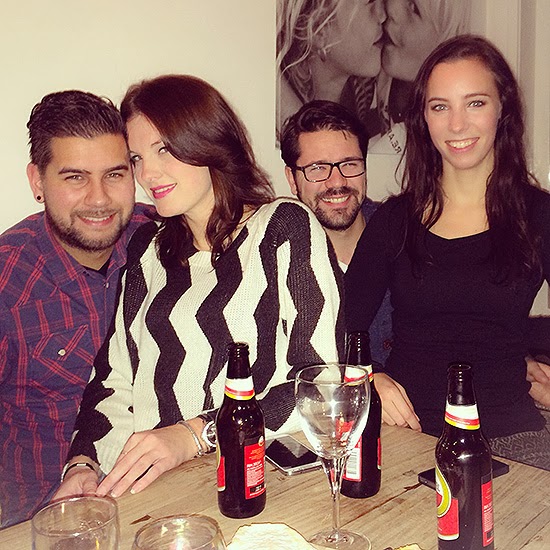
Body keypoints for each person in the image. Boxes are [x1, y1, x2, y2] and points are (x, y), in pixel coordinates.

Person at [54, 75, 344, 500]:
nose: (147, 174)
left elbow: (320, 384)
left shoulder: (283, 227)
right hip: (152, 490)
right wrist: (84, 464)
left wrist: (194, 434)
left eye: (164, 150)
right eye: (136, 158)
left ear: (207, 142)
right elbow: (116, 377)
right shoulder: (148, 249)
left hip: (255, 484)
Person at [346, 35, 550, 469]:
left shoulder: (539, 215)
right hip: (408, 432)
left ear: (503, 109)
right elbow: (345, 324)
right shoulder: (395, 219)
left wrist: (529, 354)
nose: (457, 124)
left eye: (475, 103)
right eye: (440, 107)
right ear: (423, 118)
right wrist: (369, 377)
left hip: (510, 435)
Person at [0, 90, 151, 527]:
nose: (99, 199)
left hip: (161, 499)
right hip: (42, 522)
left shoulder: (162, 241)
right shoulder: (9, 282)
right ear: (37, 181)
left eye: (115, 174)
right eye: (75, 177)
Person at [280, 99, 392, 366]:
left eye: (349, 164)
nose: (338, 181)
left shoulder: (404, 237)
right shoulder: (275, 257)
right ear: (292, 179)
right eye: (318, 168)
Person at [277, 0, 386, 141]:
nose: (383, 15)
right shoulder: (269, 123)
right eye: (370, 1)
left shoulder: (367, 92)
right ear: (318, 29)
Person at [372, 0, 471, 154]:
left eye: (414, 8)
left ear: (445, 42)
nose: (391, 8)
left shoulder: (452, 122)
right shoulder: (374, 76)